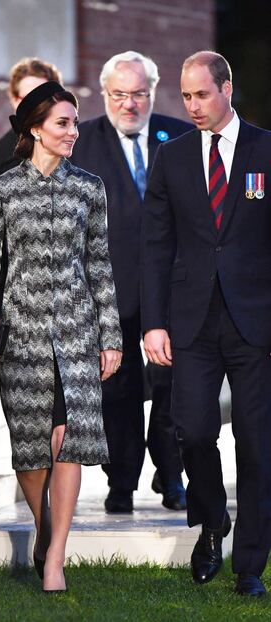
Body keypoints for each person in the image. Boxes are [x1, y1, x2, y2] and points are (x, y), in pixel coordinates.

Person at [0, 81, 122, 592]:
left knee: (66, 441)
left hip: (77, 330)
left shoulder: (89, 187)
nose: (73, 131)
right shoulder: (4, 189)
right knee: (30, 452)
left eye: (75, 122)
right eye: (63, 123)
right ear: (35, 128)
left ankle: (55, 558)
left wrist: (111, 336)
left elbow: (100, 267)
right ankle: (44, 525)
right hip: (25, 336)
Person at [141, 50, 271, 597]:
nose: (192, 106)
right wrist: (153, 323)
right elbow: (155, 245)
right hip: (190, 322)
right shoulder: (169, 159)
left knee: (258, 443)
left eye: (201, 94)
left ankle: (249, 566)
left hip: (256, 323)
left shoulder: (267, 149)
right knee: (191, 430)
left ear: (227, 88)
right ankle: (213, 520)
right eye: (186, 96)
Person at [71, 51, 192, 514]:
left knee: (173, 384)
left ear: (152, 93)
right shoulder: (82, 143)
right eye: (119, 94)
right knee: (116, 391)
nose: (129, 103)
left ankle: (171, 471)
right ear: (104, 95)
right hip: (108, 291)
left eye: (139, 93)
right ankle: (120, 479)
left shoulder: (178, 136)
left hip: (171, 287)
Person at [0, 57, 62, 321]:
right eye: (28, 97)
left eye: (45, 97)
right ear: (14, 100)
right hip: (16, 302)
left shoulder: (79, 149)